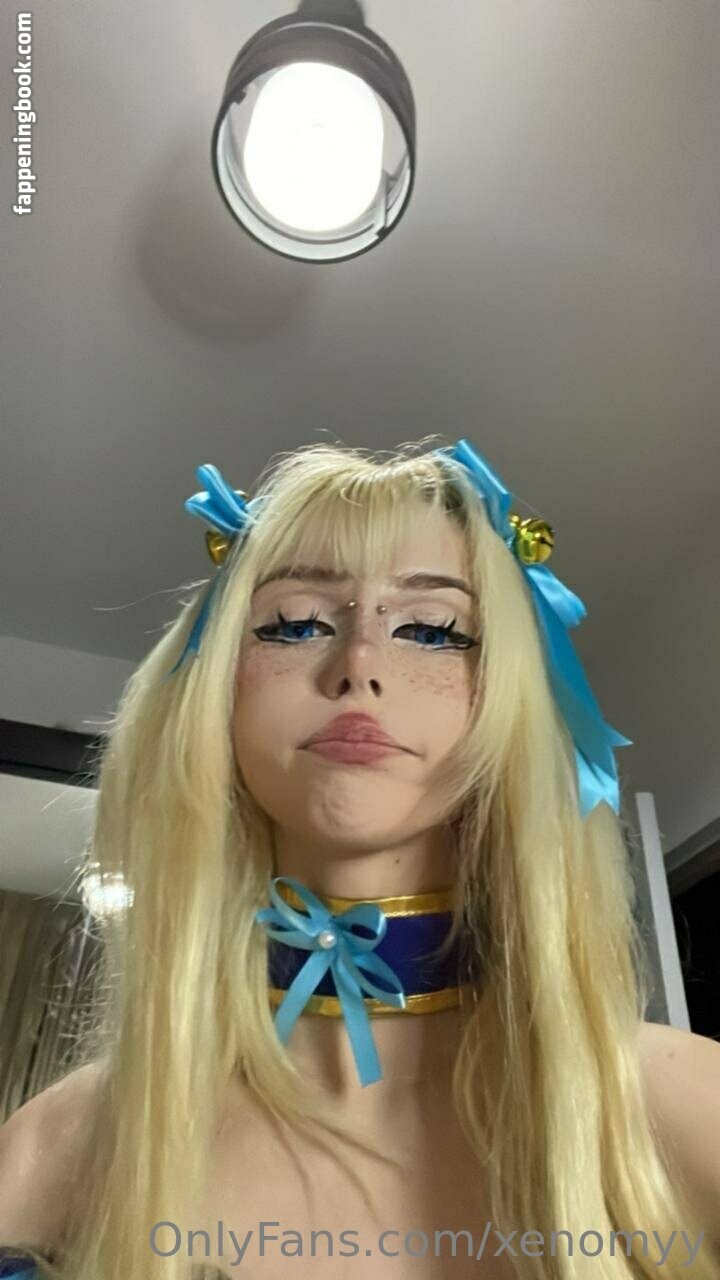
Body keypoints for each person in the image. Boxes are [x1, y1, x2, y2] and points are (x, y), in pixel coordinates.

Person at [0, 436, 718, 1280]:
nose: (359, 665)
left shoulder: (688, 1113)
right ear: (214, 684)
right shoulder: (53, 1156)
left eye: (433, 630)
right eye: (295, 623)